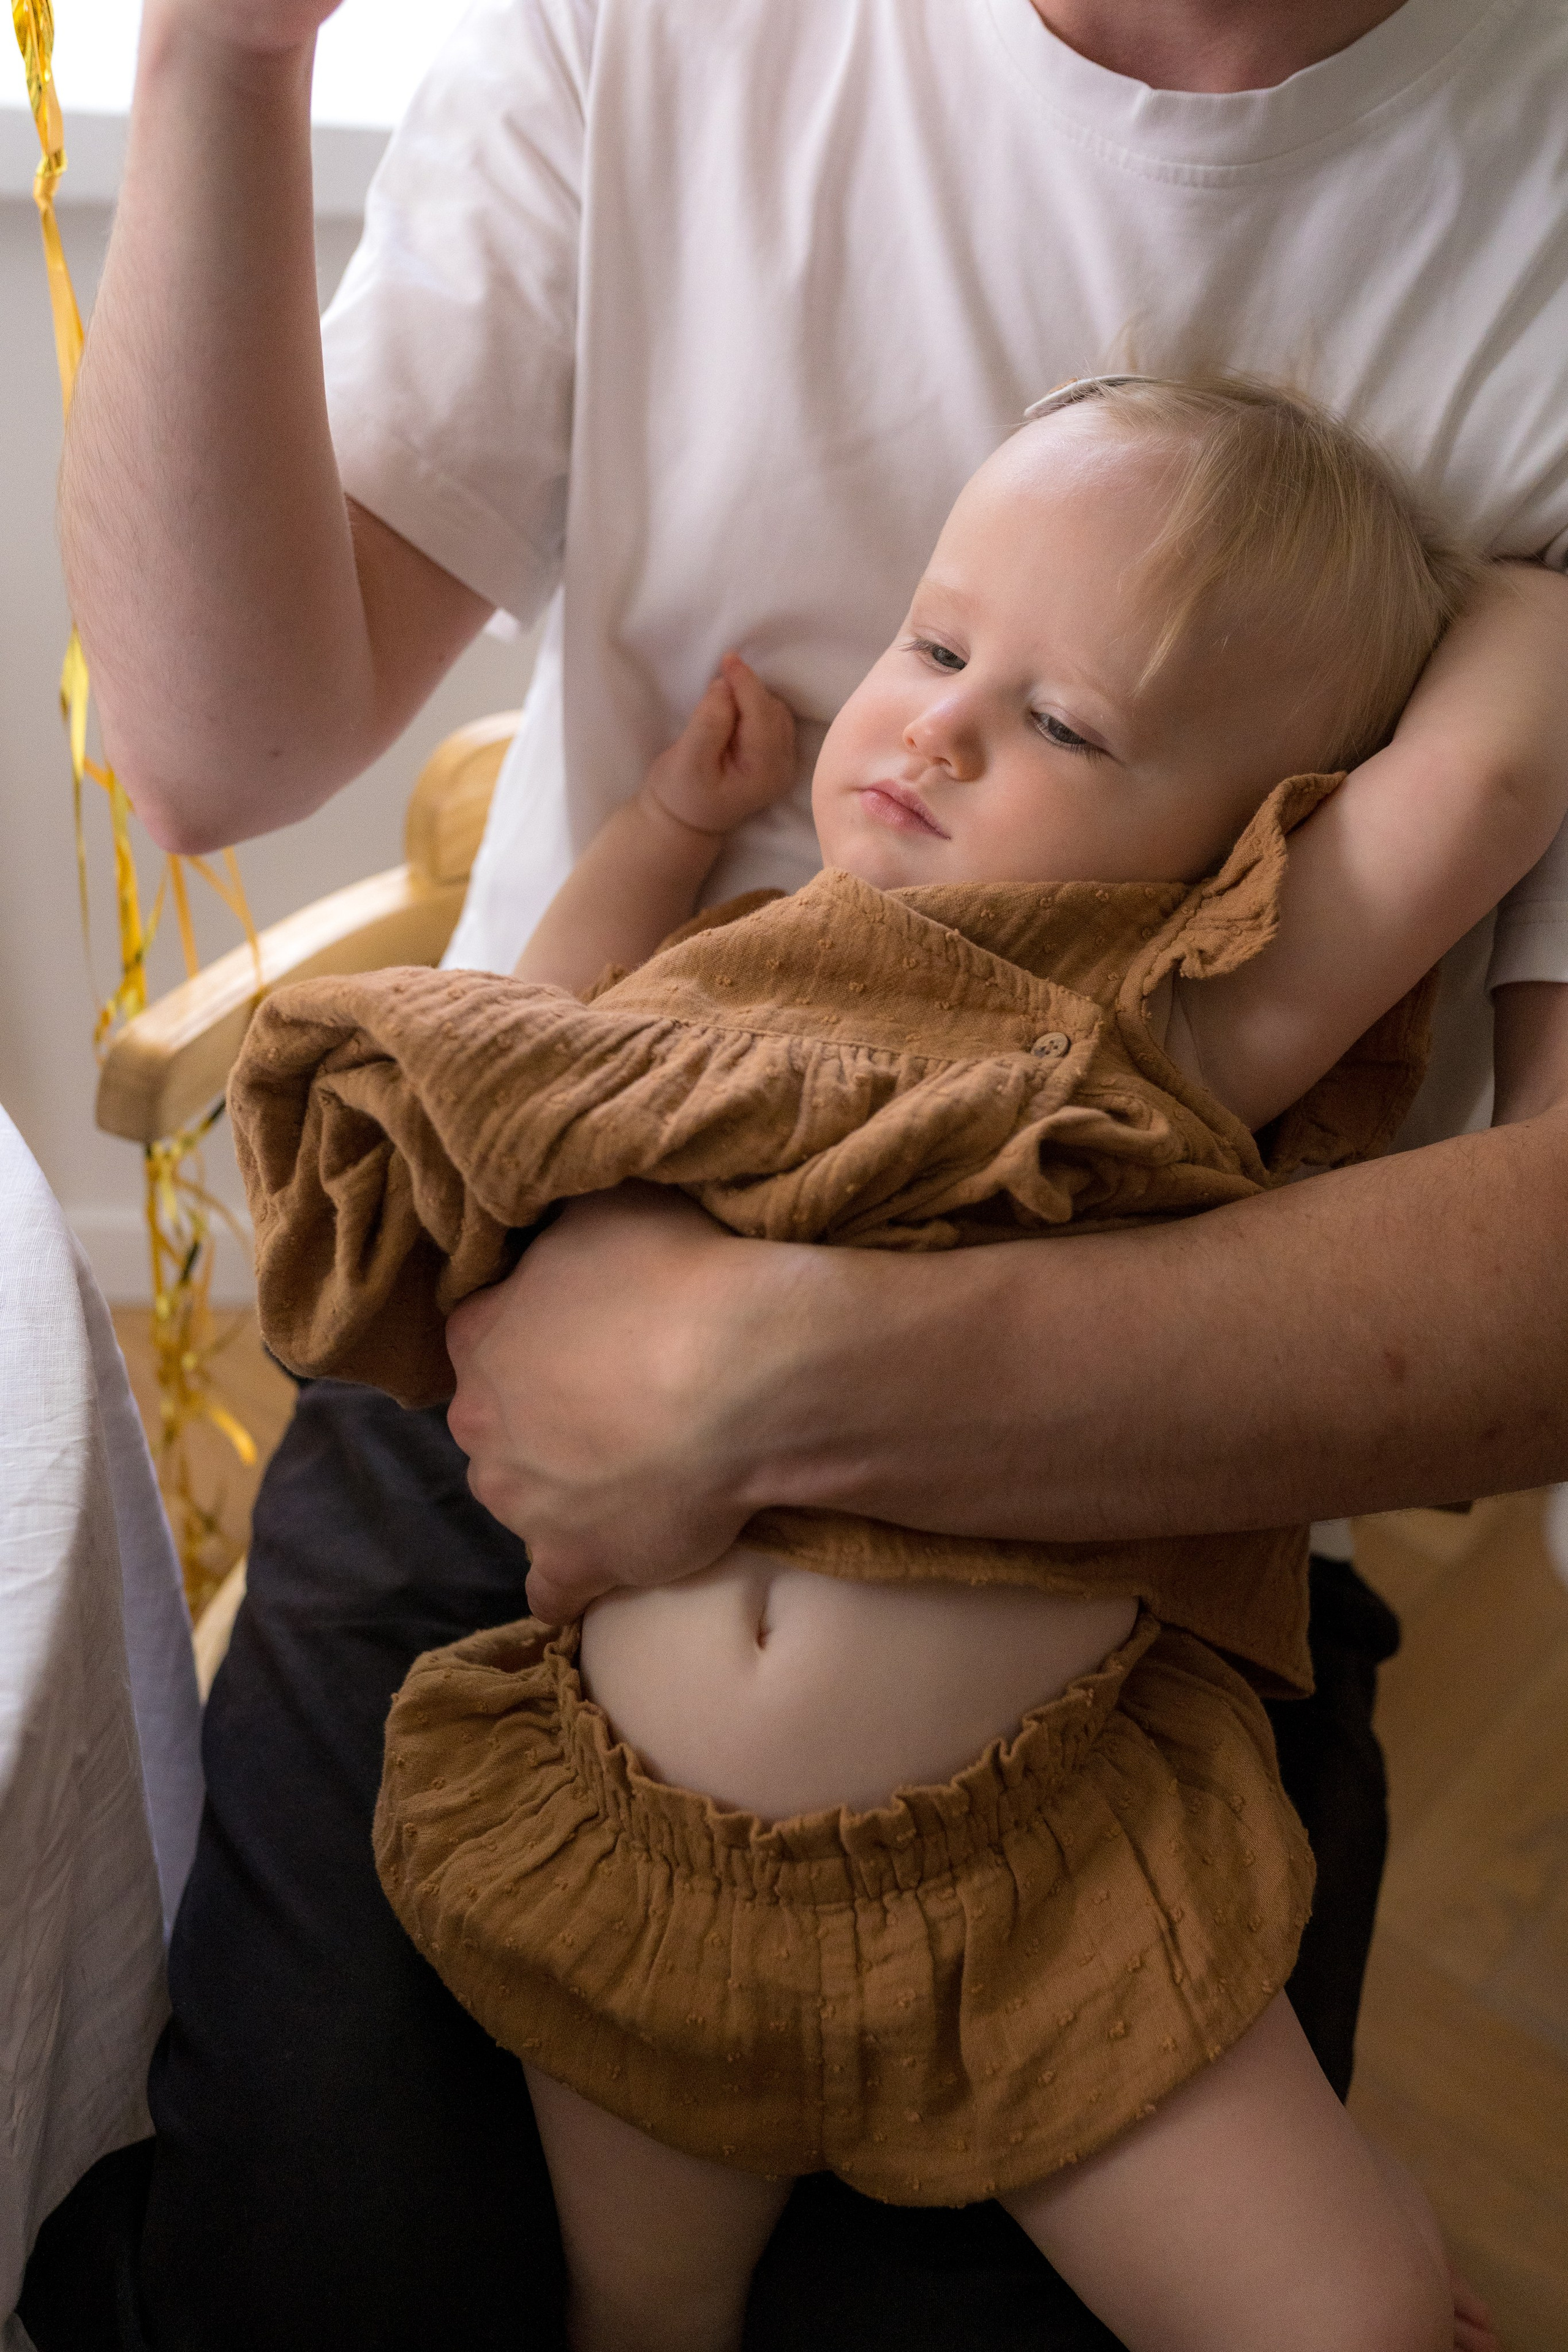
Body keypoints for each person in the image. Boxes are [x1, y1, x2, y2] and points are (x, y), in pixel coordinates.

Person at [55, 1, 1568, 2346]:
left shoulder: (1157, 1026)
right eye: (929, 650)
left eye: (1063, 721)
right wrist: (231, 61)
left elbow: (1474, 824)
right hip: (530, 1552)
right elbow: (258, 794)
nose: (941, 722)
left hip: (1093, 1693)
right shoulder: (739, 969)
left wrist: (783, 1376)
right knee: (355, 2283)